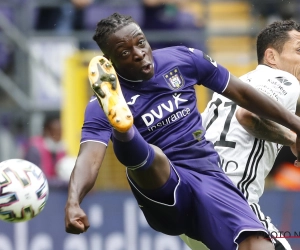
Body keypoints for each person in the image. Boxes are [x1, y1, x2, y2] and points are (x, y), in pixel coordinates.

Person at [64, 13, 300, 250]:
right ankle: (124, 130)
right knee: (152, 155)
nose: (138, 54)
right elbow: (89, 158)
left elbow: (244, 95)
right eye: (124, 53)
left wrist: (296, 125)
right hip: (162, 186)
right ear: (110, 62)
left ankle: (125, 131)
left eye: (141, 43)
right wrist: (73, 201)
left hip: (208, 175)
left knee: (257, 243)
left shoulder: (182, 60)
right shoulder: (99, 105)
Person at [200, 20, 300, 250]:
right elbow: (247, 116)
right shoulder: (285, 80)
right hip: (233, 201)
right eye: (299, 50)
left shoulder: (234, 87)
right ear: (271, 57)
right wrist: (293, 138)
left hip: (197, 203)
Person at [24, 113, 67, 181]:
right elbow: (36, 178)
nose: (59, 135)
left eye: (60, 131)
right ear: (47, 131)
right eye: (55, 131)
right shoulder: (35, 149)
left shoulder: (61, 149)